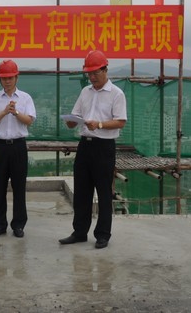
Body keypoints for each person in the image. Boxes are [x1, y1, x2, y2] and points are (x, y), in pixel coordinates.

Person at [59, 50, 127, 249]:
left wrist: (99, 125)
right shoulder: (85, 92)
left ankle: (103, 234)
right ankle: (80, 232)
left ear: (105, 70)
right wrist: (71, 121)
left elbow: (120, 121)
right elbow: (76, 115)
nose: (92, 77)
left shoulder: (116, 93)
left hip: (104, 147)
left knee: (104, 192)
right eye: (89, 73)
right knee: (82, 191)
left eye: (96, 72)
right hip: (85, 146)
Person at [0, 60, 36, 238]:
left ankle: (19, 224)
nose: (7, 81)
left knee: (19, 187)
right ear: (0, 79)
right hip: (0, 147)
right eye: (4, 78)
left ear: (16, 77)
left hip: (18, 146)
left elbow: (29, 120)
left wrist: (16, 112)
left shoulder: (25, 98)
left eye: (10, 78)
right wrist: (4, 111)